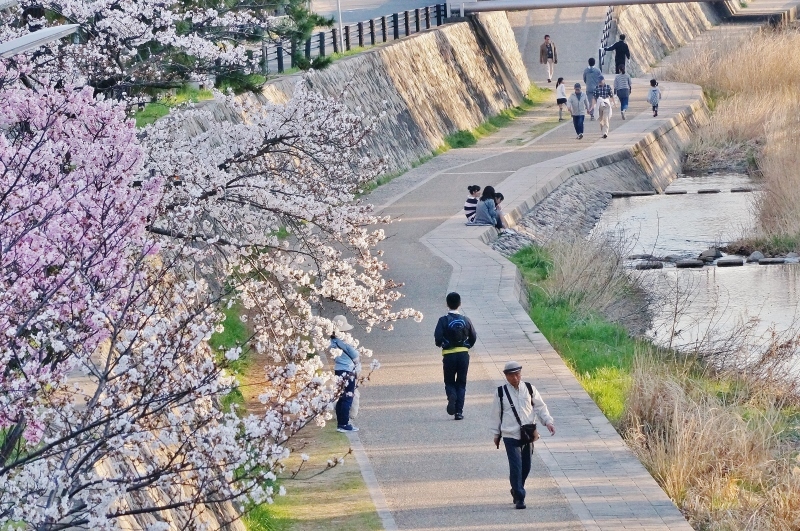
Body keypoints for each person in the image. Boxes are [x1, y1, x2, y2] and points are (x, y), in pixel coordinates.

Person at [490, 361, 556, 510]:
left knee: (526, 466)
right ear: (506, 376)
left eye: (517, 374)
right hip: (510, 434)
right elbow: (496, 414)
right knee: (516, 467)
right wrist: (496, 434)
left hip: (527, 434)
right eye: (511, 375)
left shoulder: (529, 388)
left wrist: (548, 422)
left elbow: (540, 407)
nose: (515, 378)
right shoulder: (500, 392)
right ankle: (520, 497)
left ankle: (516, 487)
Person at [434, 292, 477, 420]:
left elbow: (437, 338)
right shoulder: (466, 320)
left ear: (447, 304)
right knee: (462, 383)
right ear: (460, 304)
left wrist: (441, 344)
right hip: (463, 355)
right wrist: (466, 345)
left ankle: (451, 394)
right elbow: (473, 337)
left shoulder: (443, 320)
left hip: (449, 355)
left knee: (449, 381)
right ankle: (459, 412)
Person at [330, 315, 360, 433]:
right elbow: (355, 355)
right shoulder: (343, 341)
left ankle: (341, 422)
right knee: (348, 397)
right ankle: (344, 423)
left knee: (342, 397)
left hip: (338, 370)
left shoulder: (332, 341)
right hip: (348, 370)